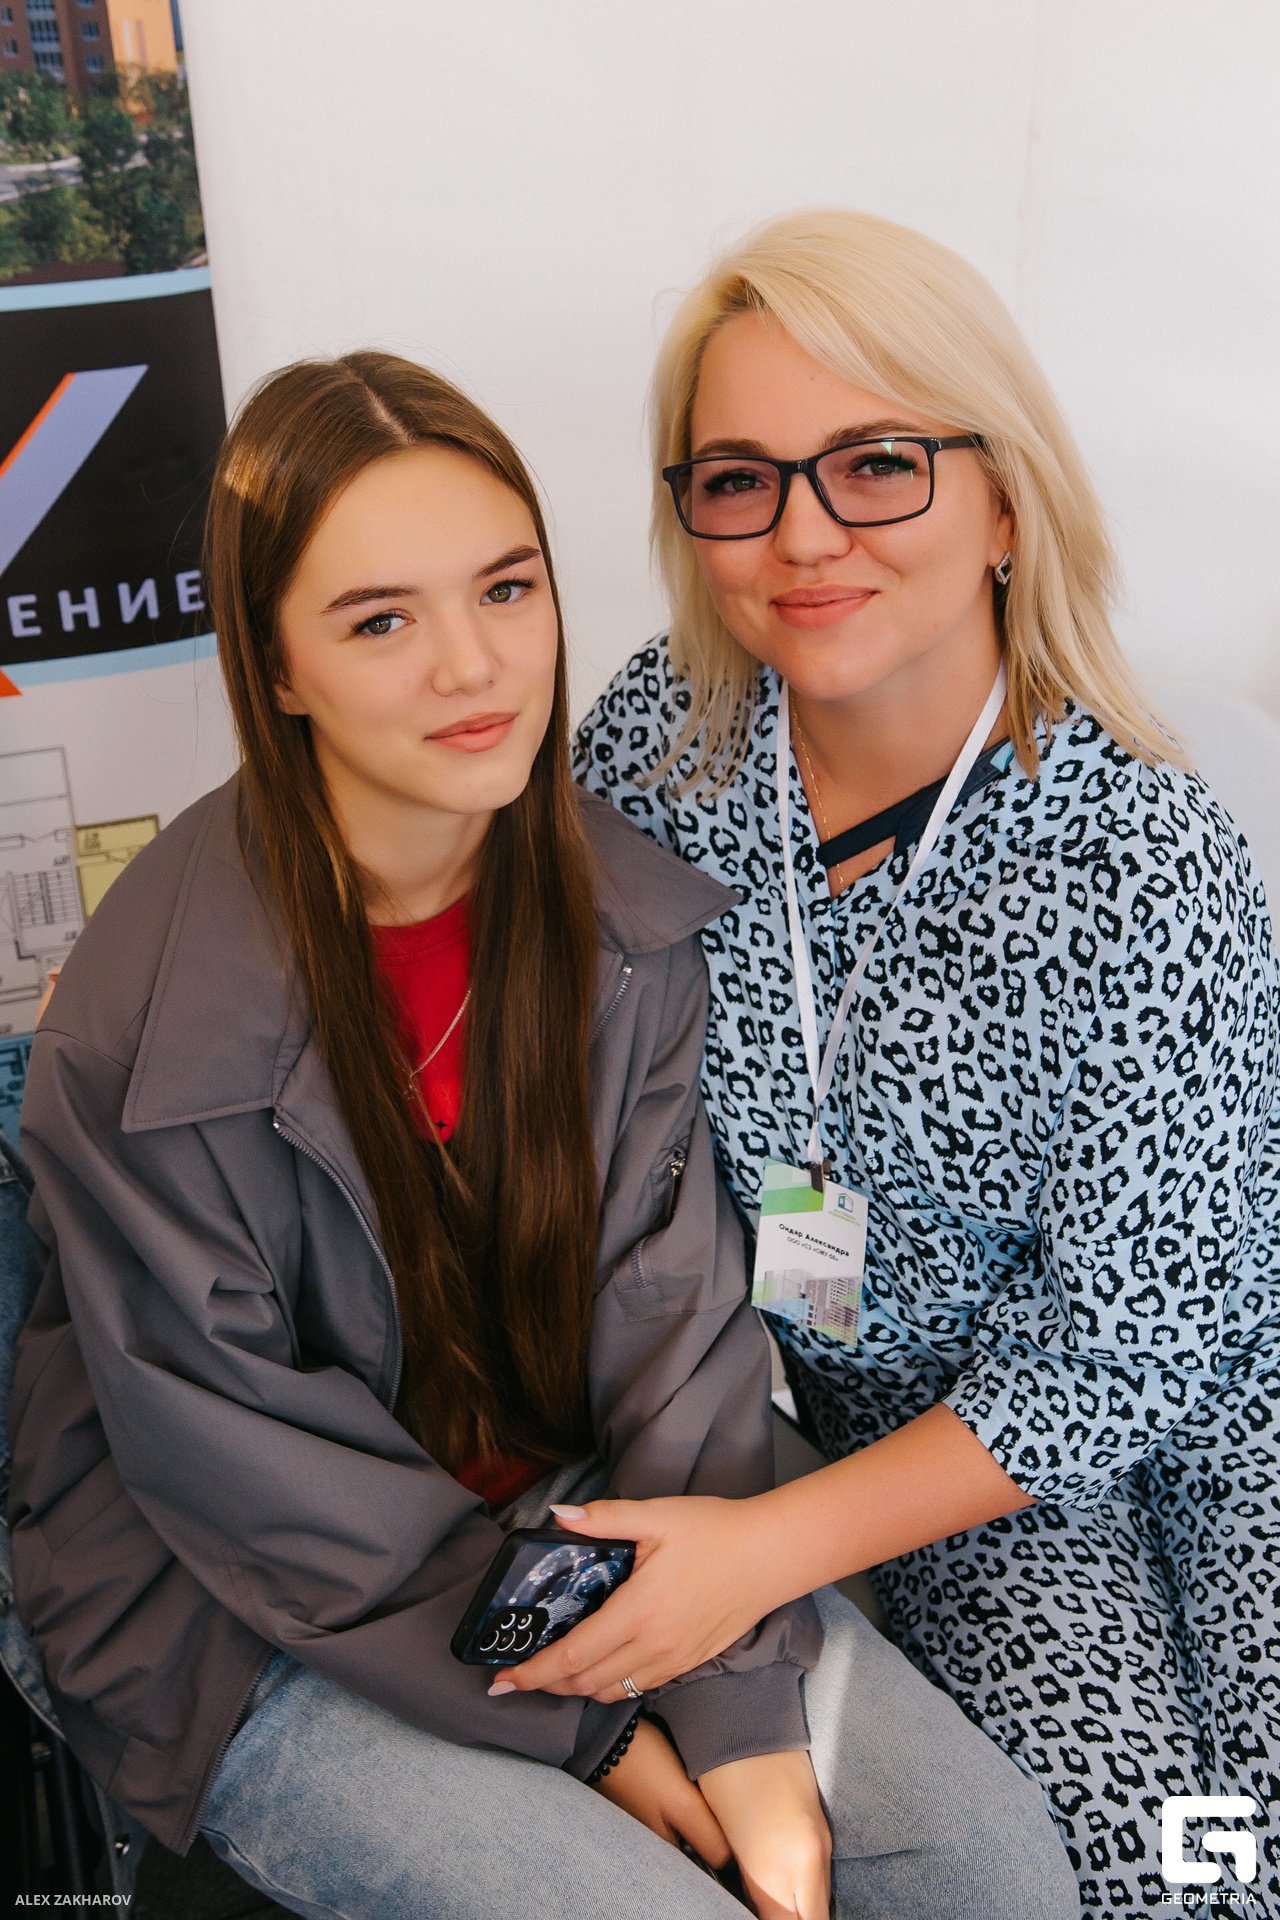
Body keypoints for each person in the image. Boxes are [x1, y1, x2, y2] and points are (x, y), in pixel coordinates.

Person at [6, 352, 1074, 1920]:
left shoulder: (624, 917)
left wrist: (730, 1703)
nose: (473, 666)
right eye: (381, 620)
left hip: (573, 1503)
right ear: (278, 667)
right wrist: (599, 1732)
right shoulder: (141, 1036)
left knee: (993, 1874)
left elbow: (676, 1334)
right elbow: (251, 1478)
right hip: (243, 1599)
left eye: (507, 589)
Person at [544, 209, 1279, 1920]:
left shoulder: (1144, 857)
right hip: (938, 1445)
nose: (804, 536)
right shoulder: (657, 750)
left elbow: (1138, 1340)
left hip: (1216, 1389)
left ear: (1005, 501)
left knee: (1263, 1819)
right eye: (740, 479)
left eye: (877, 463)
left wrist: (767, 1550)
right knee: (1169, 1879)